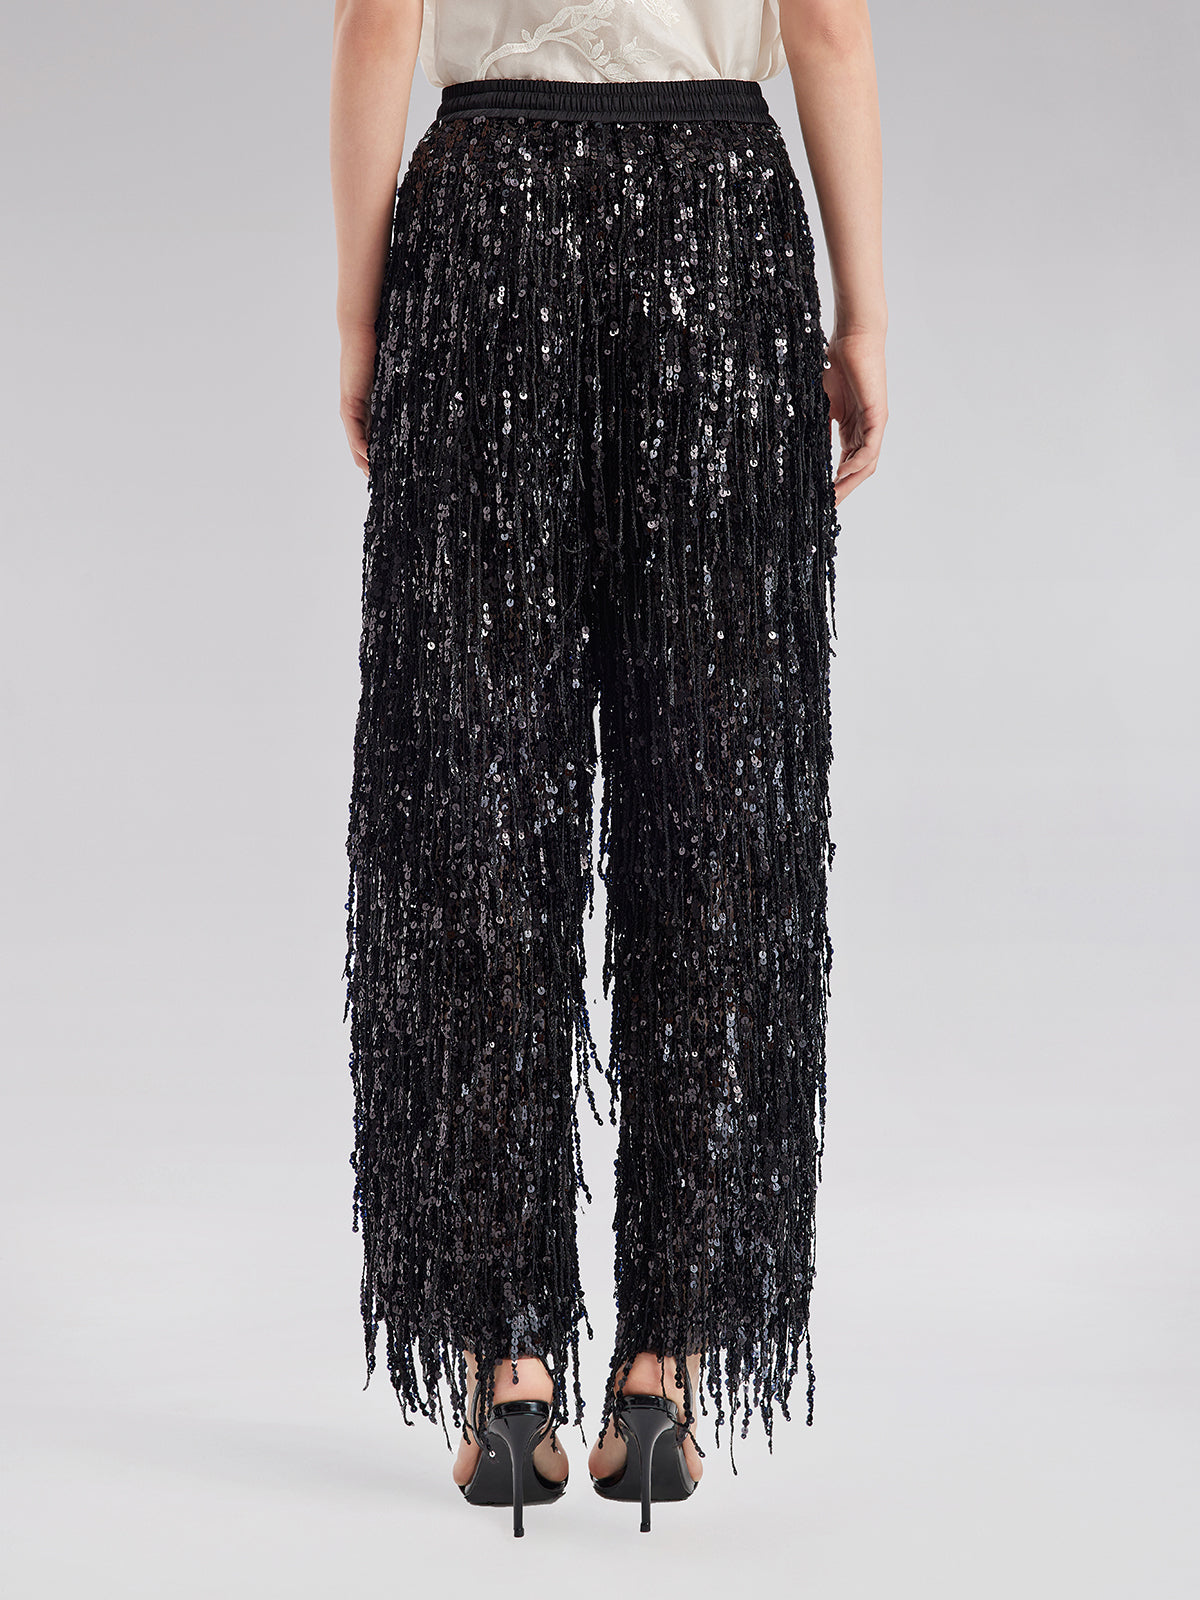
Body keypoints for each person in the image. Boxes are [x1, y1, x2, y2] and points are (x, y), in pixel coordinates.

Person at [330, 0, 886, 1536]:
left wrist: (360, 320)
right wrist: (863, 317)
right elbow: (828, 27)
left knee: (475, 793)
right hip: (717, 231)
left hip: (483, 228)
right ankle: (667, 1368)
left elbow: (378, 22)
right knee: (714, 797)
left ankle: (504, 1369)